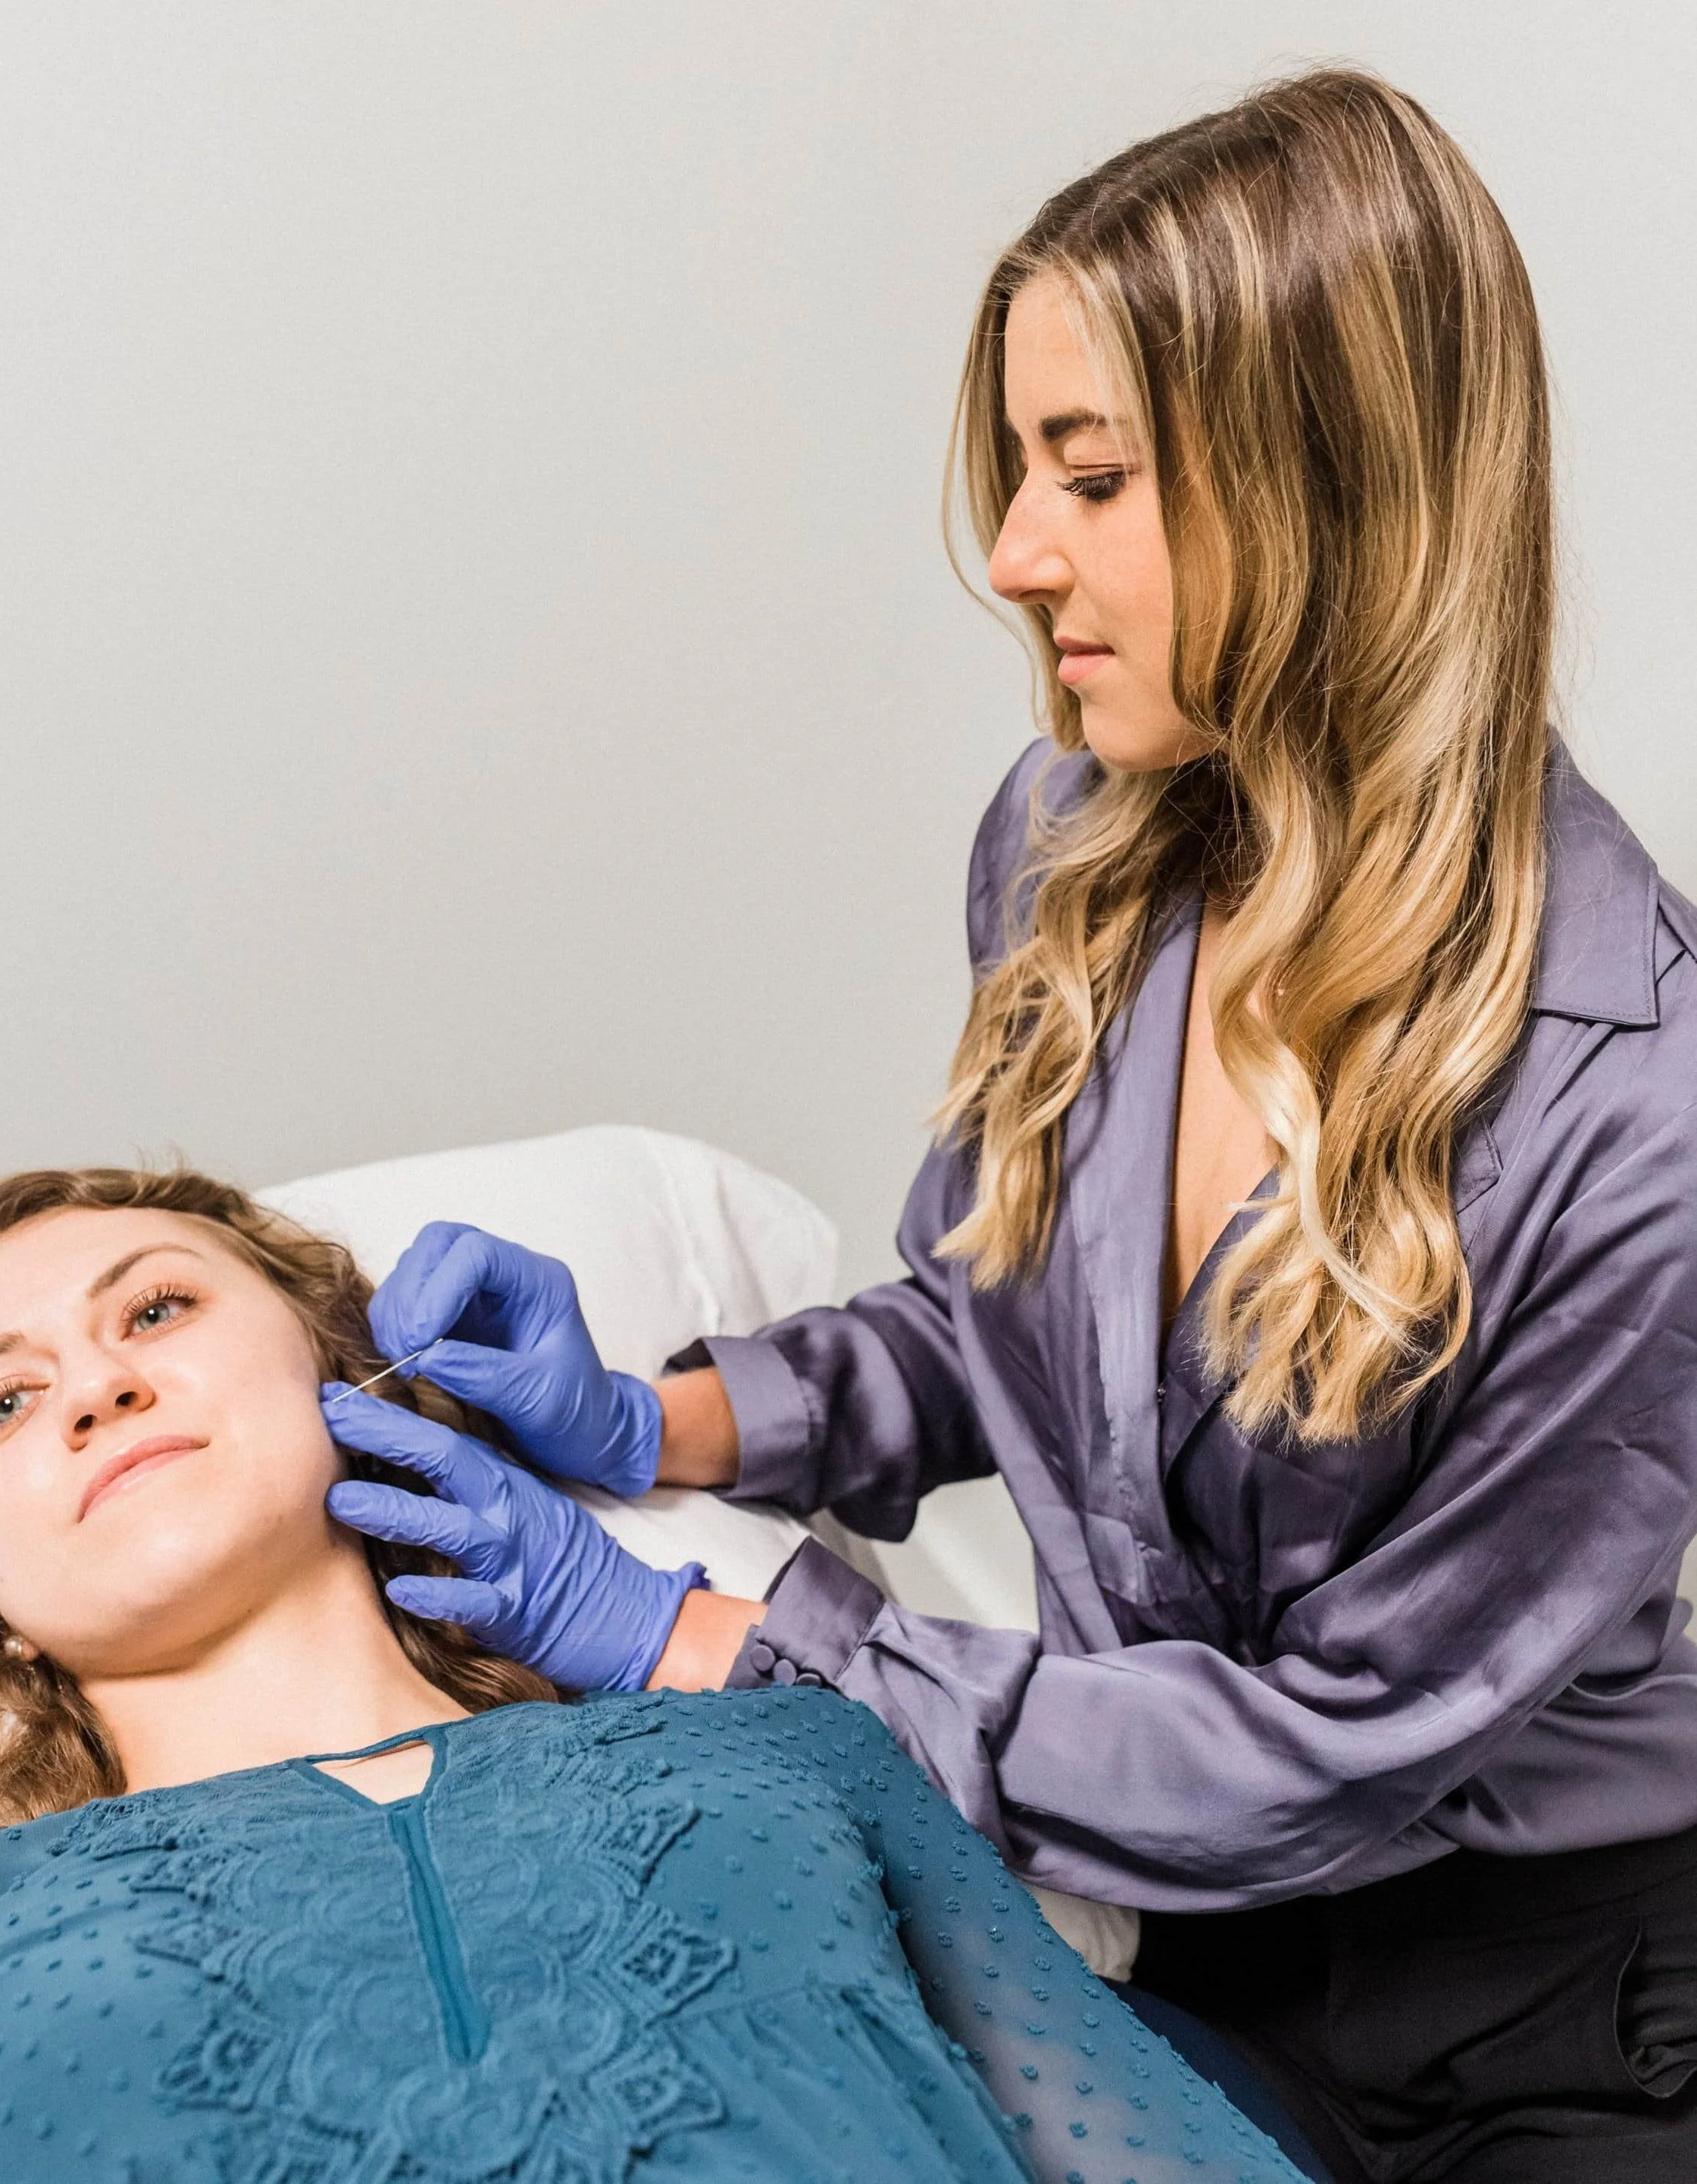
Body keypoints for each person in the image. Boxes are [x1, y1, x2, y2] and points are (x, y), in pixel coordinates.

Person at [327, 68, 1697, 2183]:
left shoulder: (1633, 1096)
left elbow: (1331, 1749)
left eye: (1091, 475)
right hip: (1159, 1933)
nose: (1010, 553)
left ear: (1329, 488)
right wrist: (641, 1420)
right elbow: (1005, 1336)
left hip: (1553, 2017)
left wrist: (701, 1638)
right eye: (1014, 471)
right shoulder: (1072, 847)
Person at [0, 1165, 1308, 2184]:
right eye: (1, 1403)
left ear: (351, 1383)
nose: (97, 1385)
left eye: (156, 1310)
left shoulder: (784, 1758)